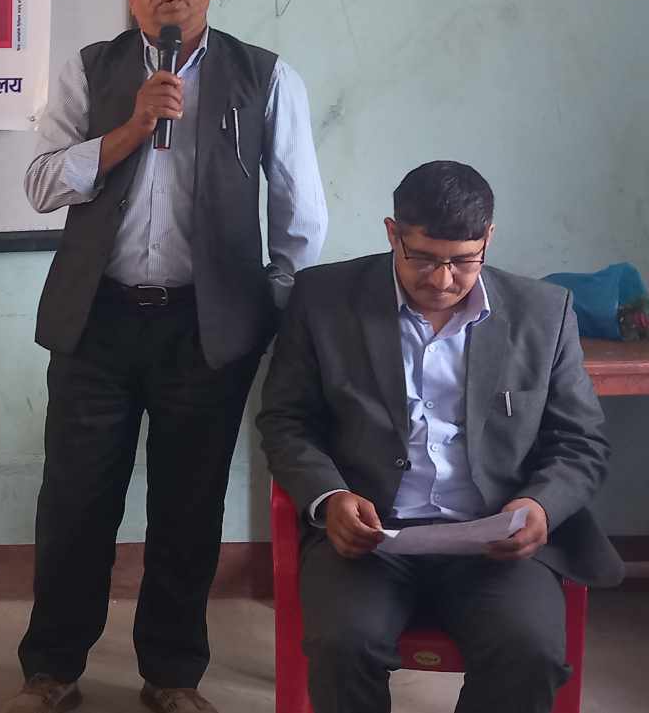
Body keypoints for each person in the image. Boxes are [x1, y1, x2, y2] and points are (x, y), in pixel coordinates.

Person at [9, 0, 328, 713]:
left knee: (188, 508)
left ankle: (173, 673)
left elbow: (300, 217)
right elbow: (40, 183)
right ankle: (52, 669)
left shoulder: (265, 78)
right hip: (97, 321)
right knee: (75, 503)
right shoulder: (90, 71)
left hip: (205, 331)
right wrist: (129, 129)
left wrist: (268, 316)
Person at [256, 161, 624, 713]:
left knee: (530, 651)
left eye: (463, 261)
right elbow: (286, 420)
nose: (442, 279)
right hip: (371, 538)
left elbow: (581, 440)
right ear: (392, 233)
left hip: (493, 542)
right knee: (343, 643)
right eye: (423, 257)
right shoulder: (324, 300)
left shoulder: (543, 314)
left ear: (488, 239)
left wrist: (540, 506)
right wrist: (329, 497)